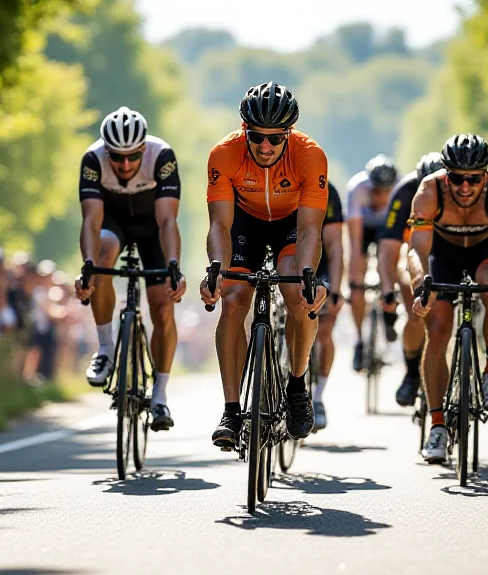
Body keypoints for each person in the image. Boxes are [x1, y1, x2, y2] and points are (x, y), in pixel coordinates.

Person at [199, 81, 329, 449]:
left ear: (289, 133)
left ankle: (297, 385)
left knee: (298, 295)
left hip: (291, 226)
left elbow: (308, 232)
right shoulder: (224, 154)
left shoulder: (310, 155)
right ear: (245, 131)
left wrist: (307, 277)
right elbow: (220, 227)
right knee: (234, 298)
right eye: (257, 137)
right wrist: (215, 270)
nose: (266, 146)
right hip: (244, 225)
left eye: (276, 138)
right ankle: (231, 409)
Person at [410, 134, 488, 463]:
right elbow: (416, 249)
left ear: (485, 176)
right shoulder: (430, 190)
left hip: (484, 253)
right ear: (446, 174)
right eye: (457, 178)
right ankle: (438, 425)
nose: (464, 187)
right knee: (439, 329)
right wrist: (421, 285)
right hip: (441, 256)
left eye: (473, 179)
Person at [73, 106, 187, 431]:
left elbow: (167, 221)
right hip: (115, 223)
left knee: (163, 307)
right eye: (117, 157)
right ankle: (106, 347)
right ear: (105, 150)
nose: (125, 165)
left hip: (153, 228)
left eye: (133, 157)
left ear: (143, 149)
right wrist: (88, 267)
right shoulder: (93, 160)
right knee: (103, 254)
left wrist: (174, 266)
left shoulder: (162, 155)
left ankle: (161, 394)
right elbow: (91, 222)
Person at [377, 152, 445, 407]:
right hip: (414, 253)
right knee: (417, 312)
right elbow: (388, 250)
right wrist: (387, 290)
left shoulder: (458, 189)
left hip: (445, 252)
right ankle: (412, 373)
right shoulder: (405, 192)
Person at [346, 154, 399, 371]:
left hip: (387, 228)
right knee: (356, 278)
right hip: (364, 228)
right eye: (376, 191)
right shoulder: (357, 189)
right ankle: (360, 341)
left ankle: (390, 310)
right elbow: (355, 244)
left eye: (386, 191)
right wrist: (354, 279)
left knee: (390, 262)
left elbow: (399, 244)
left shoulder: (400, 190)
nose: (381, 196)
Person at [312, 181, 345, 431]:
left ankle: (318, 396)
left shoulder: (327, 190)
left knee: (324, 330)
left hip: (318, 261)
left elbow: (334, 246)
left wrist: (334, 289)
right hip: (278, 254)